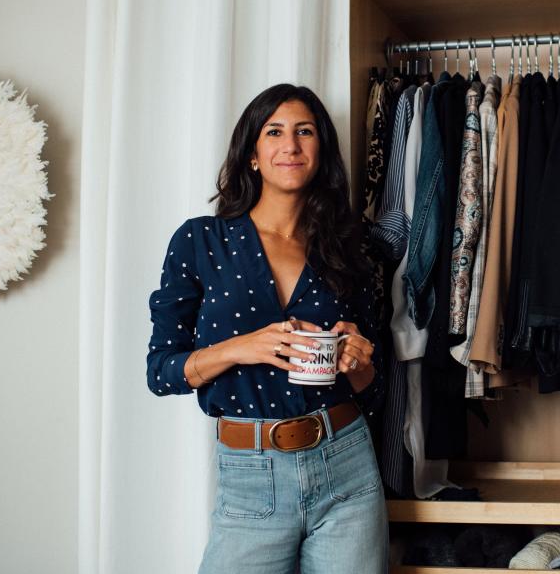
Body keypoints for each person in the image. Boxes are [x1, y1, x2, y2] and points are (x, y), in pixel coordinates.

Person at [146, 84, 388, 573]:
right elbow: (161, 372)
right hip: (249, 475)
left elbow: (372, 389)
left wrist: (360, 362)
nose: (291, 145)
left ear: (321, 151)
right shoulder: (200, 241)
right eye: (274, 131)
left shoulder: (351, 246)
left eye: (305, 131)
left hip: (347, 466)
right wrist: (239, 348)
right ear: (252, 154)